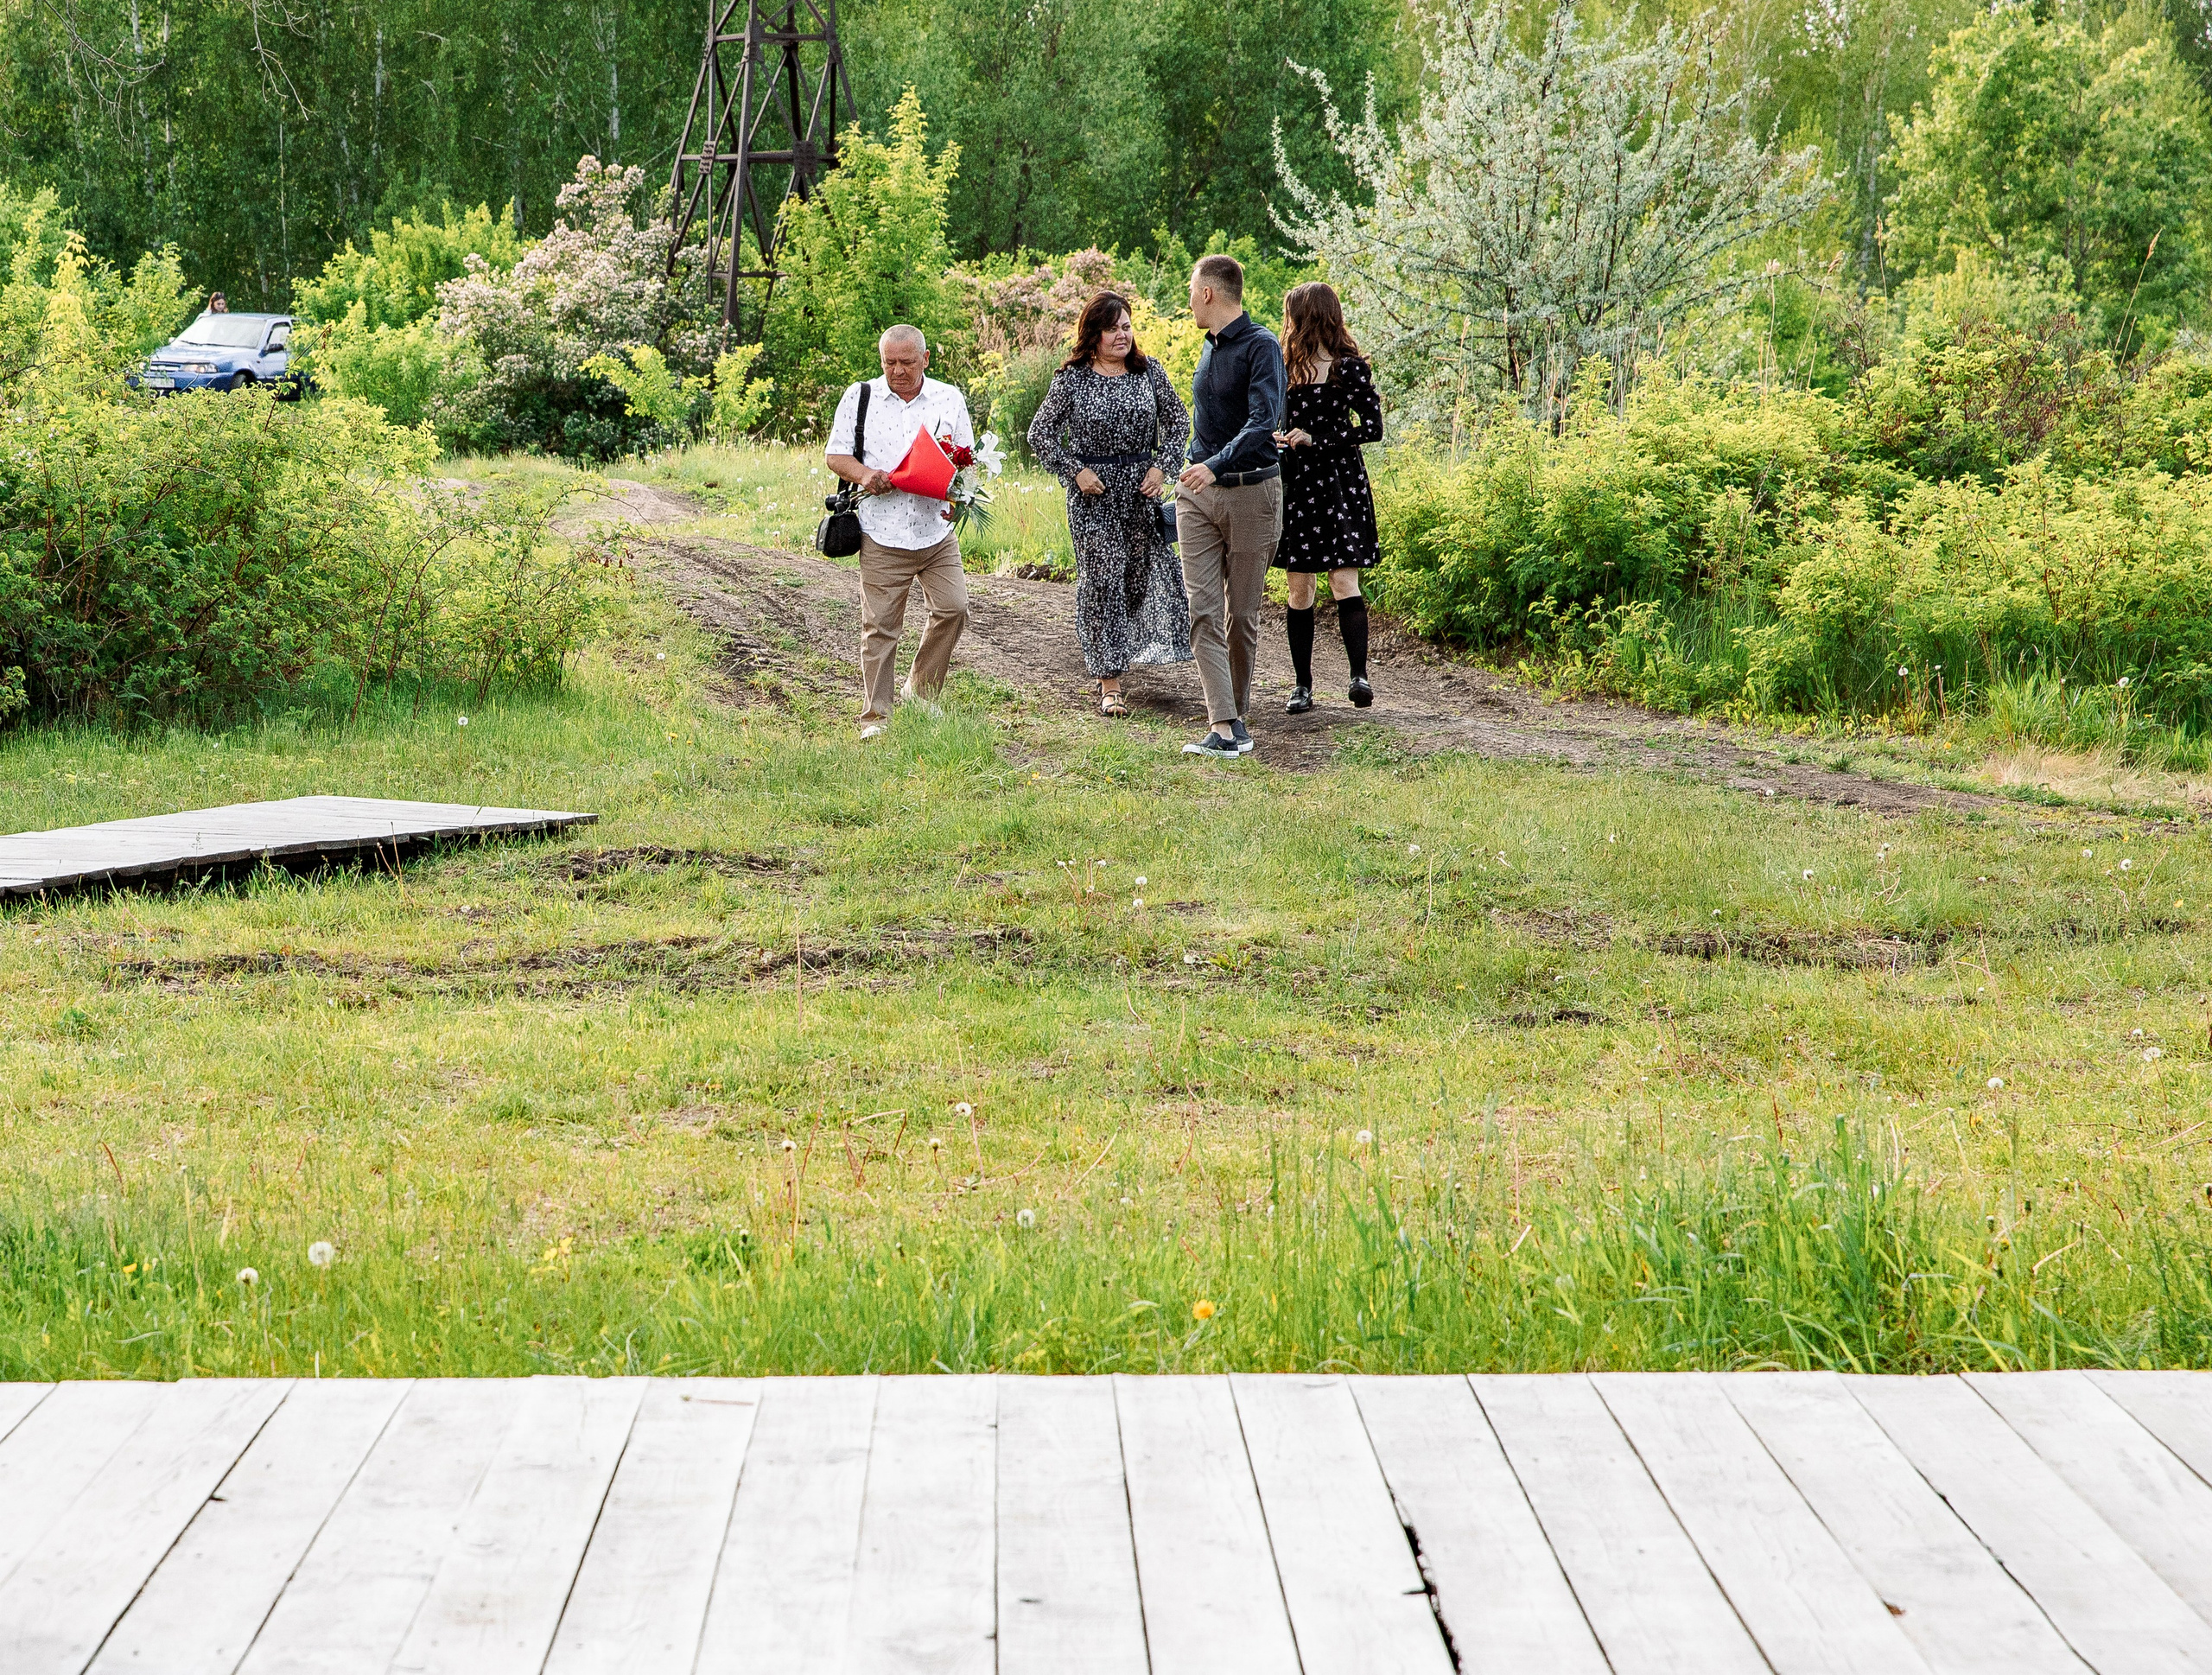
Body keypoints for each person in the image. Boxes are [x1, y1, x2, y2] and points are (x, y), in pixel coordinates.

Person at [1027, 291, 1192, 715]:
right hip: (1093, 494)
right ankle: (1110, 681)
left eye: (1126, 326)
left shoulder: (1149, 371)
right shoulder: (1072, 379)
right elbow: (1040, 434)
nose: (1122, 335)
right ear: (1094, 334)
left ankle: (1116, 642)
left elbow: (1178, 423)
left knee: (1136, 578)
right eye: (1112, 328)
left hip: (1141, 491)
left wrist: (1162, 468)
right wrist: (1074, 470)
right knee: (1103, 576)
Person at [823, 325, 976, 739]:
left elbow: (966, 459)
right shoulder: (861, 396)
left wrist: (958, 495)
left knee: (953, 608)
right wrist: (866, 475)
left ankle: (921, 693)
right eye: (889, 362)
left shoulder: (949, 398)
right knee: (880, 628)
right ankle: (876, 717)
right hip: (882, 532)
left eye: (907, 362)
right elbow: (835, 454)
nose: (898, 371)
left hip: (934, 530)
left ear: (925, 360)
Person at [1175, 254, 1286, 760]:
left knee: (1241, 617)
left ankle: (1235, 718)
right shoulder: (1207, 347)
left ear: (1208, 294)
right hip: (1197, 494)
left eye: (1191, 290)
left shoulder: (1262, 346)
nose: (1189, 299)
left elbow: (1265, 419)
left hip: (1251, 495)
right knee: (1203, 609)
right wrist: (1199, 466)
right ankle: (1223, 724)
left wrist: (1216, 464)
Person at [1273, 281, 1385, 712]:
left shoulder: (1348, 367)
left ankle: (1359, 677)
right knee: (1299, 588)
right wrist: (1280, 439)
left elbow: (1371, 429)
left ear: (1307, 316)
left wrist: (1317, 440)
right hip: (1298, 483)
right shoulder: (1285, 367)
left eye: (1293, 314)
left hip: (1339, 483)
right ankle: (1302, 686)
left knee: (1343, 580)